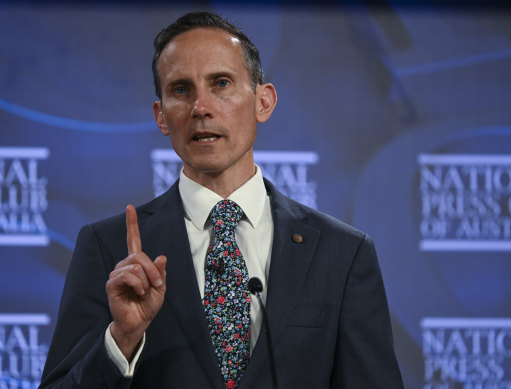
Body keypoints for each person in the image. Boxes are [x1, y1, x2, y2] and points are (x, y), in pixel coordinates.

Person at [40, 11, 404, 389]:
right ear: (161, 117)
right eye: (181, 90)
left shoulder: (342, 254)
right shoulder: (109, 249)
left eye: (221, 83)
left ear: (263, 102)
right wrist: (121, 341)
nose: (201, 107)